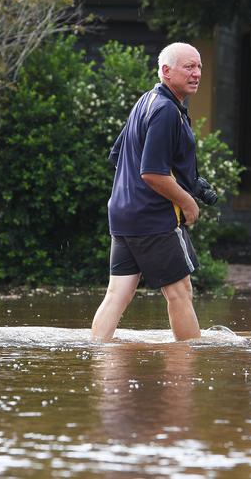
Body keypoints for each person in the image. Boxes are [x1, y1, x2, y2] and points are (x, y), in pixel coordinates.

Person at [91, 42, 205, 342]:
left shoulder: (146, 101)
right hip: (155, 219)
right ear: (166, 71)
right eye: (188, 67)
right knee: (180, 293)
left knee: (118, 293)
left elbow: (118, 156)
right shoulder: (166, 110)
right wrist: (188, 202)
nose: (196, 73)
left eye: (199, 67)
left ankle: (95, 356)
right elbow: (152, 172)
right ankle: (187, 366)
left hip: (124, 214)